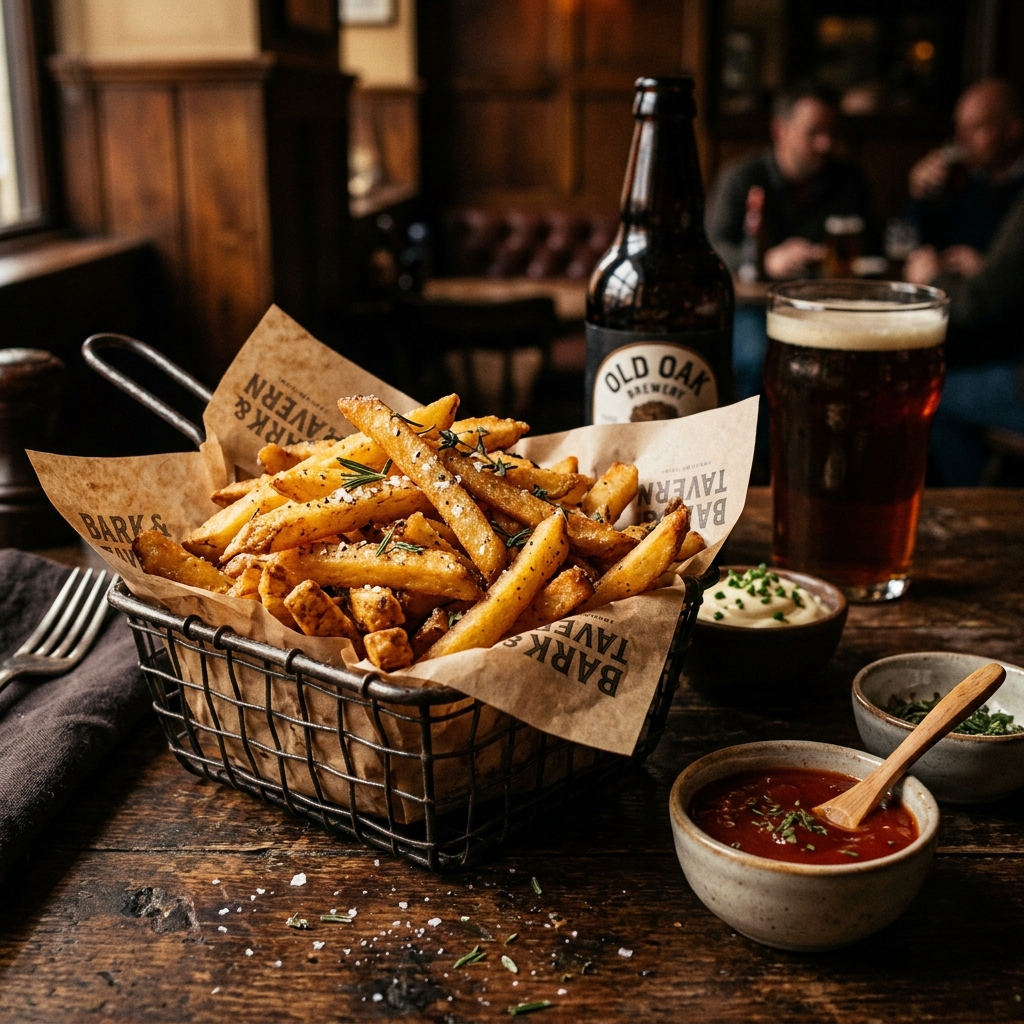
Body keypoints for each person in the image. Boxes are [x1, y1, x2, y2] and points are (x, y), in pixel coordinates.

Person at [706, 86, 872, 479]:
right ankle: (762, 469)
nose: (825, 143)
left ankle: (835, 466)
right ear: (780, 129)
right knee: (758, 359)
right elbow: (712, 248)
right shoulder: (742, 177)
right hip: (754, 307)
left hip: (831, 309)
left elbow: (874, 246)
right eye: (813, 133)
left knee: (860, 365)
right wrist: (766, 259)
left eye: (830, 133)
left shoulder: (848, 180)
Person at [903, 78, 1024, 485]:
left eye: (978, 128)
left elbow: (978, 299)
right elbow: (918, 239)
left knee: (928, 398)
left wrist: (936, 276)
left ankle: (974, 508)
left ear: (1013, 129)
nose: (963, 140)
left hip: (1007, 356)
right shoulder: (972, 183)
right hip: (986, 341)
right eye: (960, 129)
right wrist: (920, 195)